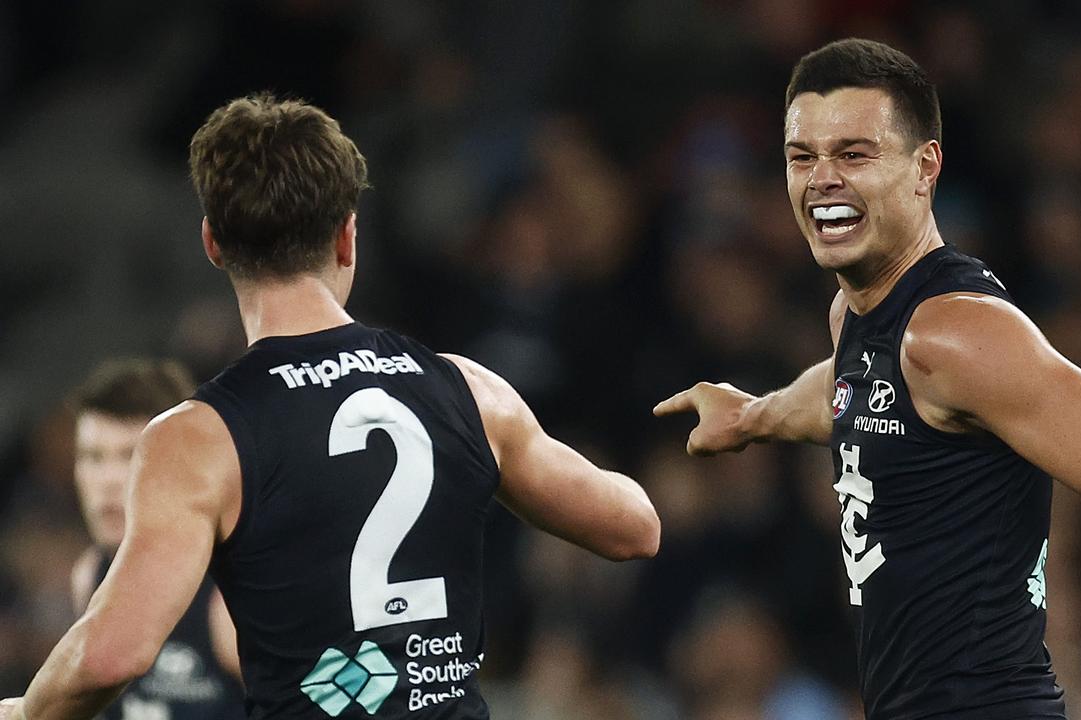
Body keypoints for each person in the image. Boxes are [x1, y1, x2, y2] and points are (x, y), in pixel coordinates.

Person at [654, 38, 1081, 719]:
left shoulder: (960, 336)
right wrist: (756, 416)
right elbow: (850, 385)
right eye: (802, 157)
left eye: (855, 154)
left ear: (925, 168)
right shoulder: (861, 319)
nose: (822, 178)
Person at [1, 93, 660, 720]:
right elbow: (634, 527)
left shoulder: (199, 438)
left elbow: (113, 655)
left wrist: (30, 710)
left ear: (213, 244)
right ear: (347, 235)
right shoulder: (466, 390)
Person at [68, 359, 243, 720]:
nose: (108, 479)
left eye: (130, 455)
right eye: (92, 457)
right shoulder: (89, 577)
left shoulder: (225, 601)